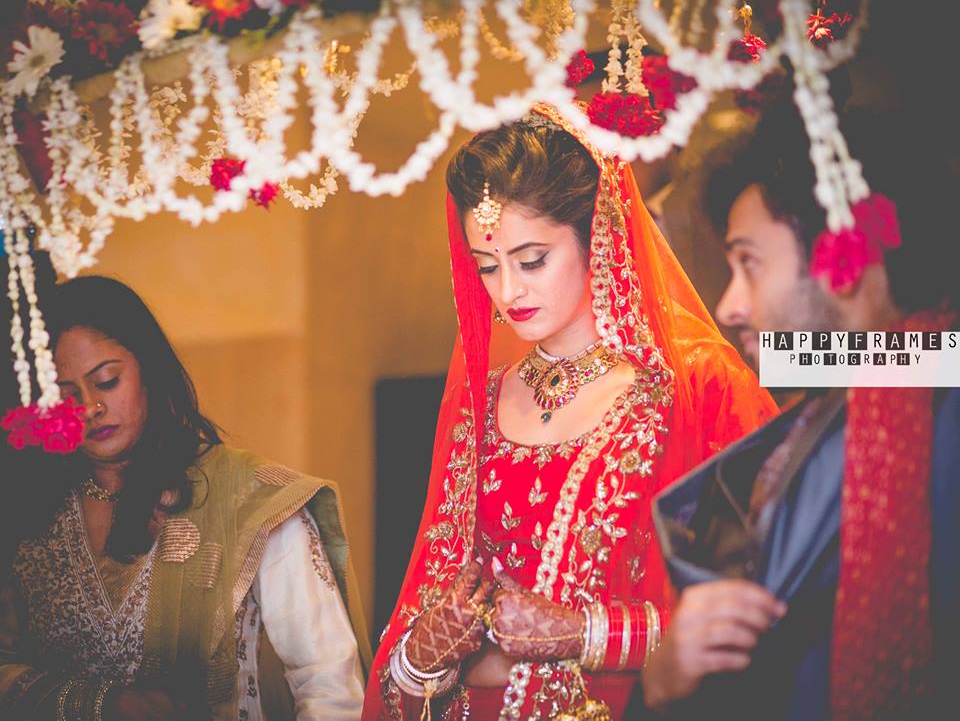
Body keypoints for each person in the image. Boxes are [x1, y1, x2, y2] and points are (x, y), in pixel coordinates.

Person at [362, 103, 779, 720]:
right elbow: (425, 614)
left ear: (598, 238)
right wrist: (422, 656)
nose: (509, 291)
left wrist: (584, 632)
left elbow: (766, 603)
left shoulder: (693, 386)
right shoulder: (481, 405)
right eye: (487, 266)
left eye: (532, 260)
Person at [636, 102, 960, 720]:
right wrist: (663, 676)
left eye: (748, 263)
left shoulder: (922, 400)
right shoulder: (869, 380)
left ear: (844, 255)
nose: (729, 306)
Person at [0, 275, 369, 720]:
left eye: (108, 381)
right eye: (66, 395)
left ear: (149, 371)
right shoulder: (28, 514)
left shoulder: (250, 500)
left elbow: (329, 685)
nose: (90, 407)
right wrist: (104, 703)